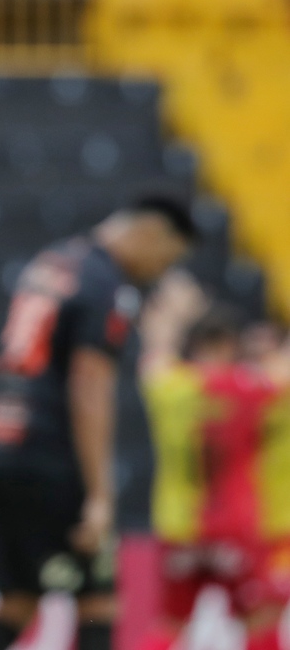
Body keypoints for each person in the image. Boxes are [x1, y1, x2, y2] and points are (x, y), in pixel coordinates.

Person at [0, 191, 199, 650]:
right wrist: (100, 495)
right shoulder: (105, 283)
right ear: (152, 234)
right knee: (98, 602)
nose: (161, 270)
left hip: (3, 446)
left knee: (17, 604)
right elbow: (89, 388)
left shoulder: (54, 262)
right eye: (168, 257)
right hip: (50, 457)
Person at [138, 279, 290, 650]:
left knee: (171, 624)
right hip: (240, 523)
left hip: (179, 525)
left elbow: (154, 355)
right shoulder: (252, 388)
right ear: (231, 345)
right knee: (260, 620)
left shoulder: (171, 386)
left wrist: (172, 314)